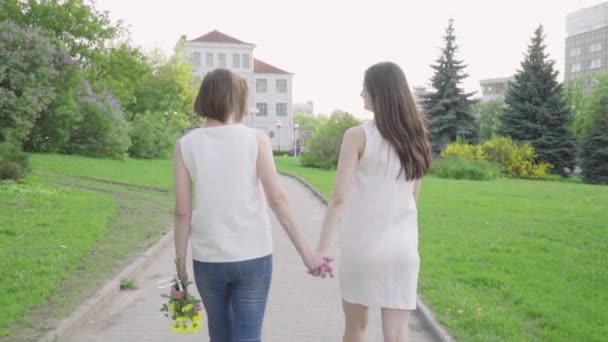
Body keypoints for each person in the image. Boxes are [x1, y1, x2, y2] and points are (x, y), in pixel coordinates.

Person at [172, 68, 322, 341]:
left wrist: (180, 272)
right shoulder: (256, 139)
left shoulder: (186, 145)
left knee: (219, 334)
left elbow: (182, 214)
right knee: (248, 335)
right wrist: (307, 254)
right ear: (236, 101)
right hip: (253, 255)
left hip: (208, 258)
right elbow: (278, 199)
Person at [314, 62, 432, 342]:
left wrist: (322, 248)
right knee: (397, 334)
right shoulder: (416, 140)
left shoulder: (358, 136)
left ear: (379, 92)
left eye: (365, 87)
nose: (361, 93)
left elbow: (339, 198)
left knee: (356, 328)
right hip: (402, 251)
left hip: (363, 249)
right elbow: (412, 199)